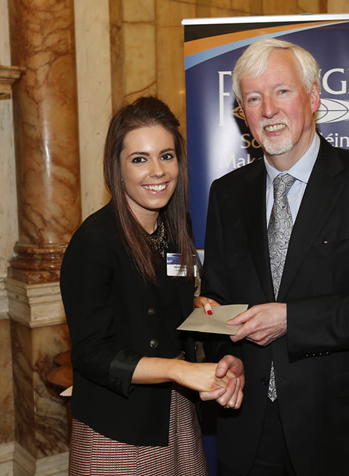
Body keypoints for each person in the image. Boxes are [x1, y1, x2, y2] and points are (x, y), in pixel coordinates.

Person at [196, 38, 349, 476]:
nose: (267, 109)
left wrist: (292, 320)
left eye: (281, 91)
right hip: (248, 428)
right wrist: (221, 352)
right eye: (252, 97)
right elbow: (219, 294)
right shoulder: (226, 194)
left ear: (315, 97)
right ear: (242, 113)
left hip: (341, 429)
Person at [60, 96, 243, 476]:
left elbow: (169, 288)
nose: (157, 171)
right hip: (118, 425)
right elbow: (91, 353)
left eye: (167, 155)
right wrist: (178, 371)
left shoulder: (175, 229)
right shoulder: (94, 241)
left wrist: (196, 304)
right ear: (118, 167)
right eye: (139, 159)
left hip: (175, 413)